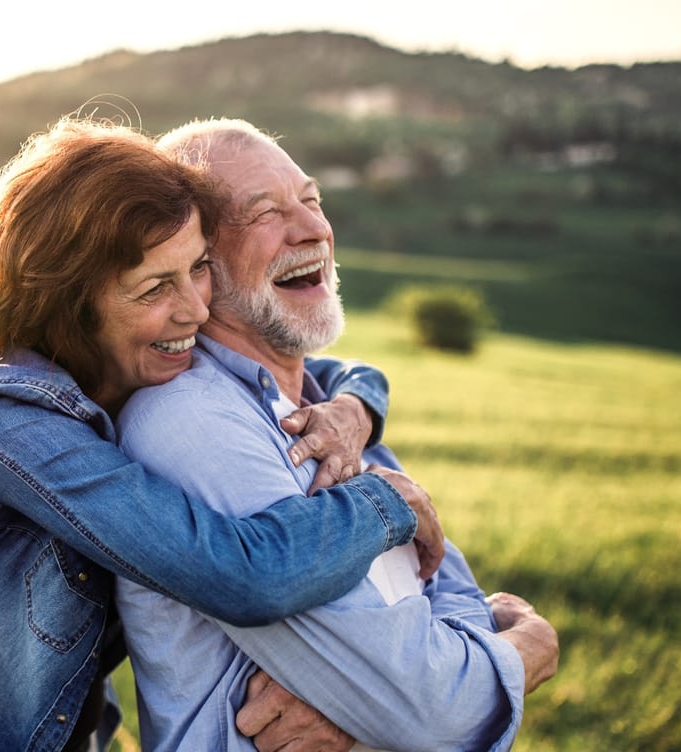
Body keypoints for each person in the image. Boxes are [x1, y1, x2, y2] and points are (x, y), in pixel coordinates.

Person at [0, 117, 446, 752]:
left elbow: (331, 371)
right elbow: (244, 577)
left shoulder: (134, 366)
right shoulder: (7, 420)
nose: (195, 308)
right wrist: (386, 502)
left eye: (196, 268)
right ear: (69, 303)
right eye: (154, 288)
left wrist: (355, 408)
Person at [115, 118, 560, 752]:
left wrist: (389, 696)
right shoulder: (191, 424)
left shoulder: (337, 418)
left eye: (312, 200)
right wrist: (530, 647)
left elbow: (443, 589)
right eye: (266, 212)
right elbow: (435, 712)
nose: (314, 229)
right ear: (196, 262)